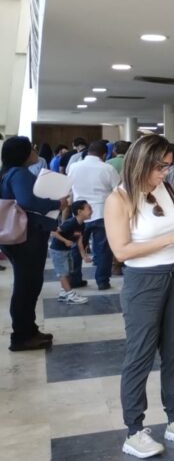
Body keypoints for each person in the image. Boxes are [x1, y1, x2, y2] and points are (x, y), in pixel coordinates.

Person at [105, 134, 174, 458]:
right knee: (140, 355)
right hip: (143, 283)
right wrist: (171, 240)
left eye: (168, 166)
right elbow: (120, 251)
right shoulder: (119, 199)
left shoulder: (167, 188)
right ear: (141, 162)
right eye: (160, 166)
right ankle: (134, 430)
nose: (165, 172)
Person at [1, 136, 62, 351]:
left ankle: (28, 329)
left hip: (18, 237)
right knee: (27, 286)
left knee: (26, 285)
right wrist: (58, 201)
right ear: (24, 153)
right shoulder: (19, 173)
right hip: (26, 238)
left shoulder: (7, 172)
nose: (35, 150)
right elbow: (29, 201)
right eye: (32, 148)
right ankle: (22, 335)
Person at [67, 140, 121, 291]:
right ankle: (102, 281)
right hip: (101, 213)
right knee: (103, 249)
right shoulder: (107, 168)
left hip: (78, 215)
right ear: (104, 154)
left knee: (76, 248)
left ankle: (75, 279)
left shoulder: (74, 167)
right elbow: (118, 191)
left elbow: (69, 188)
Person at [49, 201, 92, 305]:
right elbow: (53, 232)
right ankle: (70, 295)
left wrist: (84, 256)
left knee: (68, 271)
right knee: (62, 273)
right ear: (79, 211)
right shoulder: (70, 223)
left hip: (66, 250)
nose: (92, 211)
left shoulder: (81, 225)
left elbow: (79, 241)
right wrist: (65, 241)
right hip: (57, 250)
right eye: (89, 208)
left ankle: (64, 294)